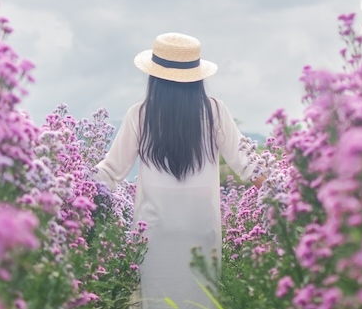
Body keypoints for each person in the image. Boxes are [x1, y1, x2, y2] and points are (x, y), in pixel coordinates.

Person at [93, 32, 263, 309]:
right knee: (199, 301)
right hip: (201, 231)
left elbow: (111, 171)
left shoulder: (140, 114)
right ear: (197, 77)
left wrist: (70, 185)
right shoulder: (214, 112)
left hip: (155, 232)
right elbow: (249, 165)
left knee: (156, 301)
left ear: (154, 77)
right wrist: (287, 194)